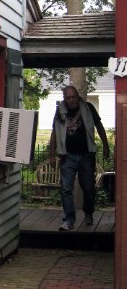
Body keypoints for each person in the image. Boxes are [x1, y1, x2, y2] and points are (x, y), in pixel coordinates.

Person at [50, 85, 110, 231]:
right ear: (65, 99)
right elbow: (54, 132)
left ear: (78, 96)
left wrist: (106, 145)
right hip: (67, 155)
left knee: (88, 187)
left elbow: (99, 125)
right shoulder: (60, 110)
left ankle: (88, 213)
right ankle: (69, 219)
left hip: (86, 154)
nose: (71, 100)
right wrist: (51, 153)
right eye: (68, 98)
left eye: (73, 97)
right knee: (66, 188)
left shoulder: (88, 108)